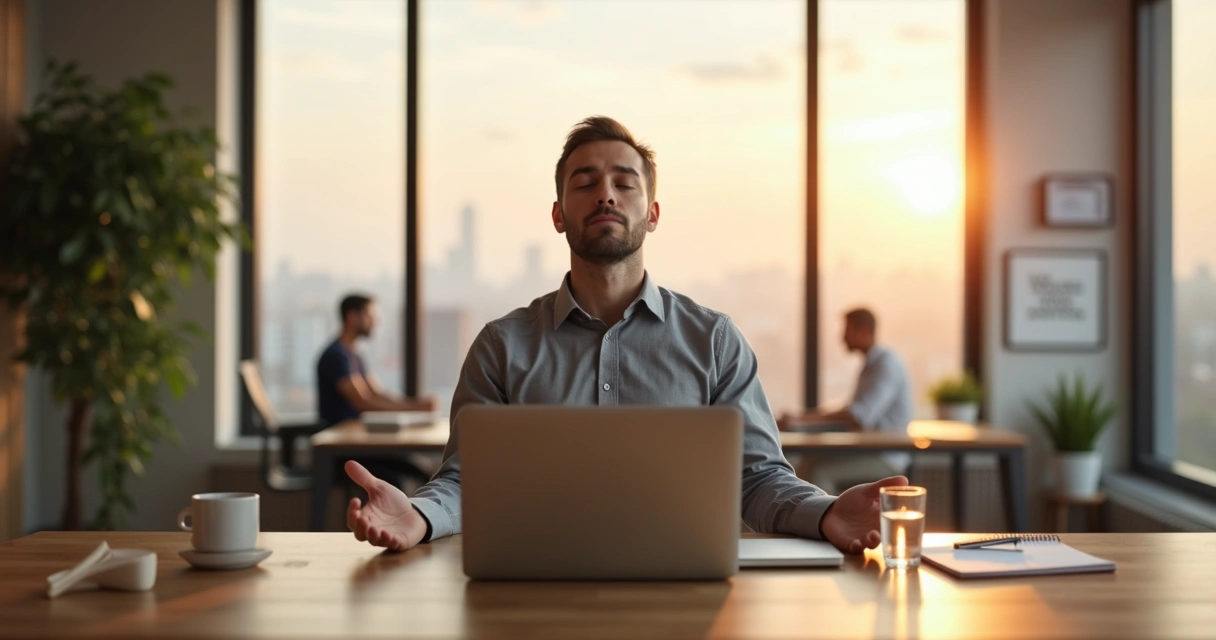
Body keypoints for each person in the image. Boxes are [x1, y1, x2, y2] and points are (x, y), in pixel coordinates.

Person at [342, 116, 907, 553]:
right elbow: (468, 481)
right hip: (530, 594)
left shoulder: (714, 340)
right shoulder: (501, 345)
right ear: (559, 214)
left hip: (682, 592)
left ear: (652, 213)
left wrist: (828, 511)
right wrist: (417, 514)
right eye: (584, 184)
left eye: (623, 183)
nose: (605, 195)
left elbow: (756, 478)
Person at [778, 308, 914, 494]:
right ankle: (801, 522)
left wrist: (802, 420)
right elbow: (851, 411)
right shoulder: (871, 364)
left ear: (863, 331)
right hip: (870, 450)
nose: (842, 339)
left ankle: (824, 522)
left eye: (846, 331)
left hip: (886, 456)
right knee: (807, 463)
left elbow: (857, 416)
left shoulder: (885, 364)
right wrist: (802, 418)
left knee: (819, 473)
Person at [316, 293, 437, 426]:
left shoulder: (355, 355)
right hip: (340, 434)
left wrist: (416, 405)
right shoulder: (336, 356)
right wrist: (415, 409)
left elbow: (377, 394)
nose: (375, 321)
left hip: (356, 431)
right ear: (352, 317)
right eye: (370, 316)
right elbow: (362, 402)